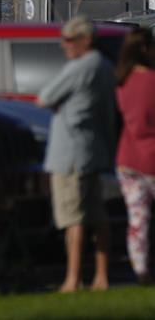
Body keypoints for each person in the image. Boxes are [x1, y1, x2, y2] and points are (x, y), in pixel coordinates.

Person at [37, 15, 117, 292]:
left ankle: (73, 278)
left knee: (74, 218)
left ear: (87, 40)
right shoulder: (105, 66)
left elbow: (44, 96)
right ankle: (101, 276)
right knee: (97, 214)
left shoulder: (80, 67)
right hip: (94, 148)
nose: (64, 45)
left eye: (70, 40)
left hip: (70, 152)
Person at [114, 27, 155, 284]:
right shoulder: (151, 81)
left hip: (127, 158)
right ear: (145, 49)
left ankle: (140, 270)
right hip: (151, 157)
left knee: (138, 220)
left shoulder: (122, 82)